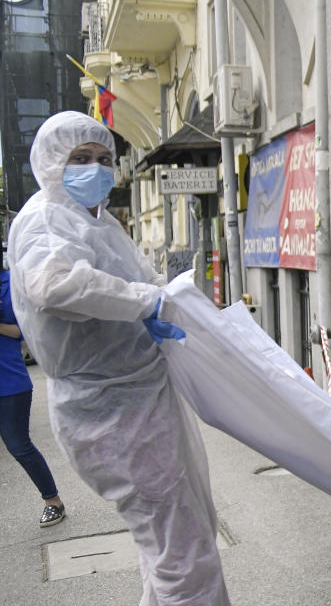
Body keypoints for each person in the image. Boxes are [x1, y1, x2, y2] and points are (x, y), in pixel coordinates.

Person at [7, 111, 230, 605]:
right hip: (110, 413)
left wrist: (168, 298)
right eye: (80, 159)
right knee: (183, 550)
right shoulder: (45, 219)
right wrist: (145, 302)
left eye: (105, 159)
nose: (96, 169)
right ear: (48, 164)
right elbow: (56, 283)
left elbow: (141, 277)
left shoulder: (100, 222)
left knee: (176, 540)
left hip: (139, 399)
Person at [1, 257, 66, 527]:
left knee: (19, 446)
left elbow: (21, 330)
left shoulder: (10, 286)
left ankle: (54, 502)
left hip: (9, 384)